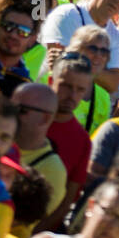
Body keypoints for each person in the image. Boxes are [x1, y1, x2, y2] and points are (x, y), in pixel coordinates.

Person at [40, 0, 119, 94]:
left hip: (84, 105)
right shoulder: (67, 14)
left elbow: (113, 83)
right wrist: (99, 70)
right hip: (45, 91)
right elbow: (61, 68)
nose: (118, 0)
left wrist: (75, 59)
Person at [44, 53, 95, 225]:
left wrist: (37, 232)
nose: (73, 95)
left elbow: (68, 200)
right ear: (51, 82)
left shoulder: (82, 141)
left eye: (80, 89)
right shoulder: (27, 117)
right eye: (66, 86)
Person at [10, 82, 67, 219]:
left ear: (45, 118)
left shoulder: (53, 169)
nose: (10, 114)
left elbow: (24, 222)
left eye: (21, 110)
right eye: (10, 106)